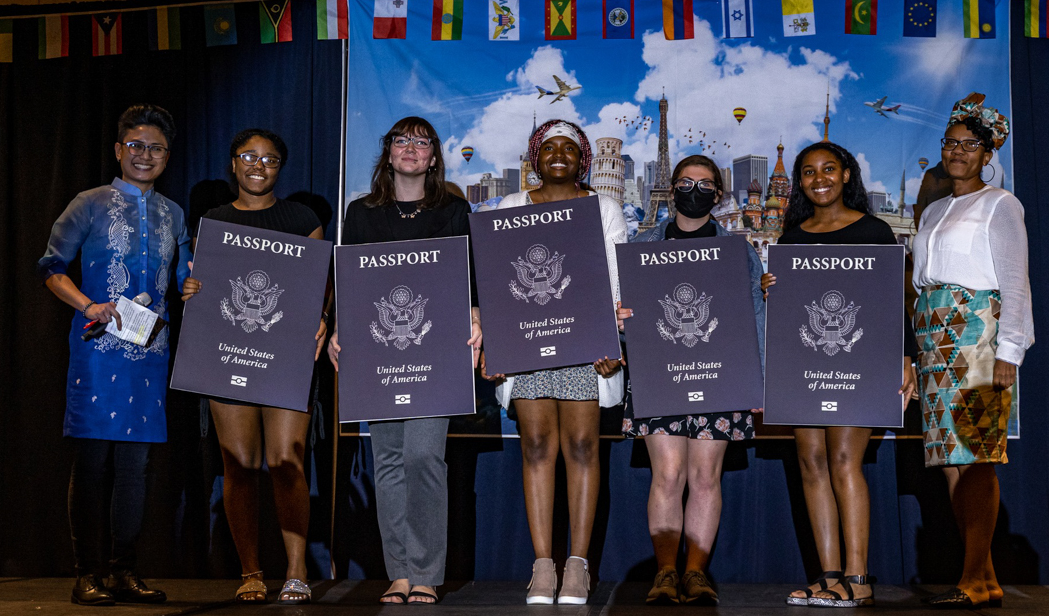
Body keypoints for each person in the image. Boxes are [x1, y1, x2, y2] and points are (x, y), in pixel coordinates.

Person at [37, 104, 189, 606]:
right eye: (136, 146)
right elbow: (51, 267)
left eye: (156, 148)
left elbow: (185, 276)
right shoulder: (90, 203)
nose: (145, 156)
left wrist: (191, 285)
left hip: (150, 353)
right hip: (98, 351)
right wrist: (91, 305)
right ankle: (87, 574)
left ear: (168, 155)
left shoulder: (174, 213)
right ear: (119, 150)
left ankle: (125, 571)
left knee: (136, 468)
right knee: (94, 463)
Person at [327, 117, 481, 605]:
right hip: (379, 352)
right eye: (401, 140)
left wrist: (477, 315)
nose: (411, 148)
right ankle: (398, 571)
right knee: (388, 459)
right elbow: (349, 282)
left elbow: (474, 280)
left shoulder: (455, 211)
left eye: (422, 142)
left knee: (422, 456)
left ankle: (426, 571)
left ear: (434, 156)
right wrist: (337, 328)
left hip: (437, 353)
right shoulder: (362, 213)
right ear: (388, 153)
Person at [761, 141, 919, 608]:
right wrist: (772, 290)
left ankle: (860, 576)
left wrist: (906, 357)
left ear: (847, 174)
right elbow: (790, 316)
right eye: (808, 172)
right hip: (805, 366)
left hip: (859, 364)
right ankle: (830, 576)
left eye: (829, 169)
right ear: (800, 183)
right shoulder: (791, 240)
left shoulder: (872, 230)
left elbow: (894, 301)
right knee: (811, 464)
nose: (820, 179)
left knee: (845, 462)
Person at [481, 119, 627, 605]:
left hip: (585, 343)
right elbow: (497, 281)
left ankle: (578, 567)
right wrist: (497, 344)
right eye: (549, 148)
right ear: (534, 158)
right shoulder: (510, 206)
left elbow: (615, 274)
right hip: (526, 343)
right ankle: (543, 564)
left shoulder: (602, 207)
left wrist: (611, 338)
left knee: (583, 447)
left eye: (568, 147)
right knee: (537, 446)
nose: (558, 154)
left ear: (583, 157)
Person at [181, 129, 326, 604]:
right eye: (249, 156)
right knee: (239, 465)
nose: (258, 165)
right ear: (233, 163)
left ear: (280, 167)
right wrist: (192, 294)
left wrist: (323, 315)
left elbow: (319, 287)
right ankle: (250, 571)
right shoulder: (215, 221)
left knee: (285, 461)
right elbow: (205, 285)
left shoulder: (302, 218)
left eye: (269, 159)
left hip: (286, 359)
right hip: (230, 358)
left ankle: (297, 570)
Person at [617, 155, 765, 606]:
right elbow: (624, 306)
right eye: (684, 182)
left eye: (704, 184)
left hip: (721, 373)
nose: (693, 190)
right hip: (658, 371)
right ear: (672, 187)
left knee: (704, 477)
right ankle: (665, 571)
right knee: (668, 474)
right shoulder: (643, 243)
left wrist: (757, 380)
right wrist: (622, 319)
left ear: (718, 194)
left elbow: (756, 314)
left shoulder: (738, 250)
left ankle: (696, 573)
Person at [913, 94, 1032, 610]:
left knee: (978, 457)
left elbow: (1015, 283)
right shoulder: (934, 209)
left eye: (969, 145)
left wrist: (1010, 351)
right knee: (950, 462)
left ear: (987, 153)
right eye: (951, 143)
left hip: (978, 336)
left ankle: (974, 576)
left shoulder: (1001, 204)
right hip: (933, 340)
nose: (957, 151)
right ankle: (980, 578)